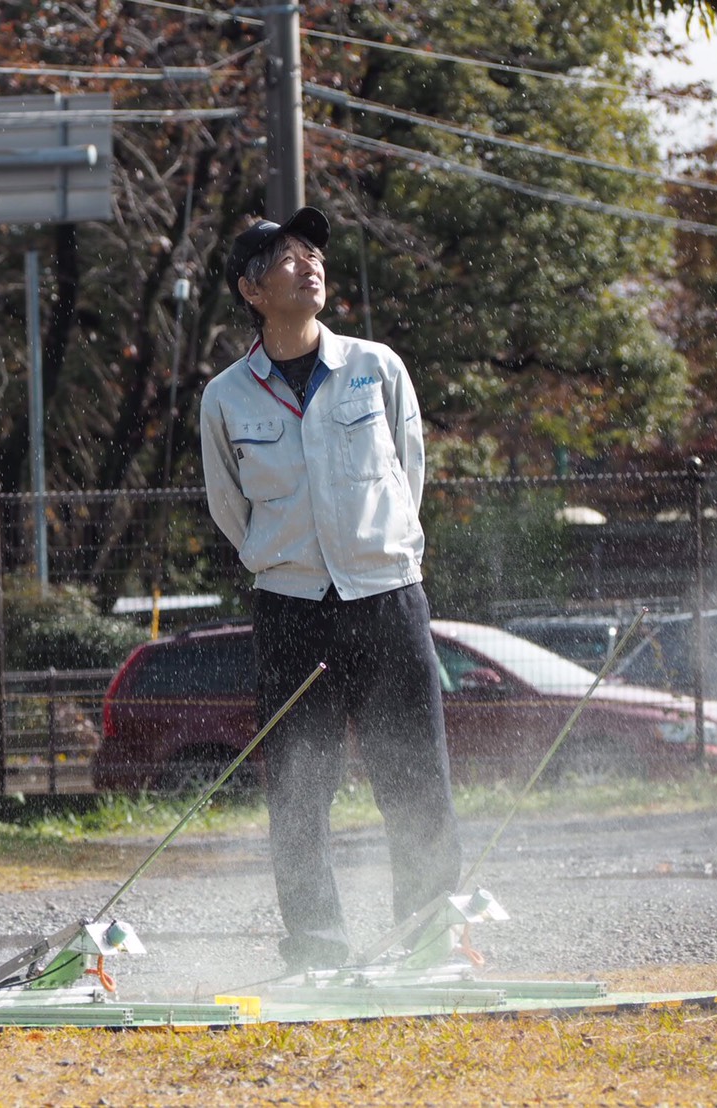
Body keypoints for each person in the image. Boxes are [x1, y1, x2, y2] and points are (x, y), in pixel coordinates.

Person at [199, 207, 462, 973]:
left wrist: (378, 549)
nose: (308, 264)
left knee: (415, 777)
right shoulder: (226, 396)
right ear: (251, 290)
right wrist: (274, 556)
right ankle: (315, 950)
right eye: (285, 257)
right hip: (290, 609)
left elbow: (408, 471)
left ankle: (429, 939)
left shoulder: (378, 367)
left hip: (386, 597)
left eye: (313, 252)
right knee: (298, 790)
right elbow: (228, 504)